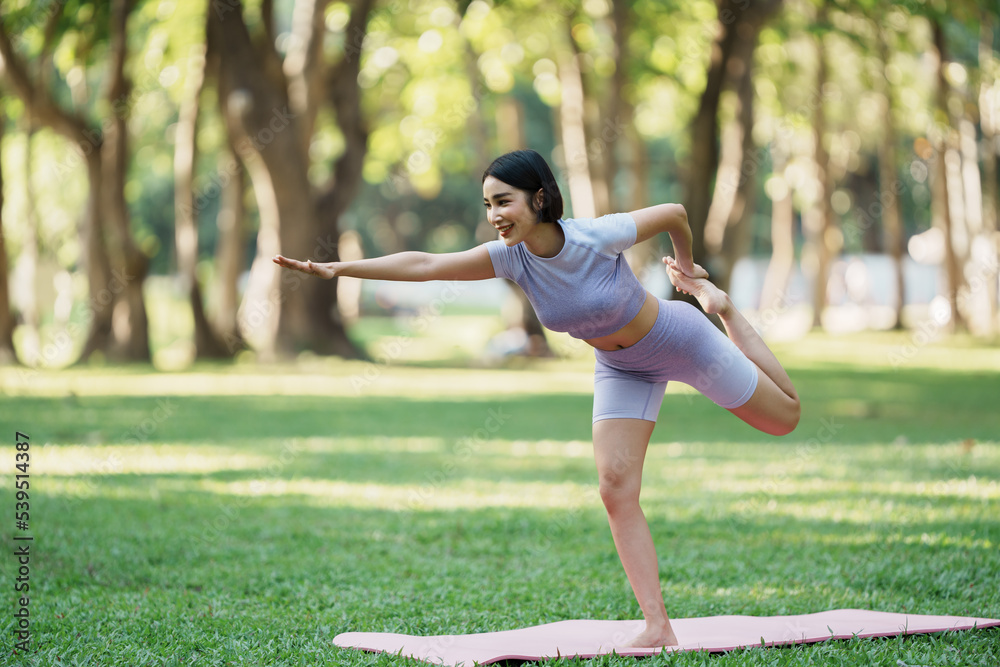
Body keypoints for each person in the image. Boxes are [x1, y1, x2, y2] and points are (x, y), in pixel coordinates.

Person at [273, 149, 800, 648]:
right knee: (615, 488)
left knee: (785, 420)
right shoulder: (511, 260)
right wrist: (338, 270)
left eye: (503, 201)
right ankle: (657, 625)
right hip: (620, 366)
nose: (494, 215)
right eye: (488, 205)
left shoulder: (594, 236)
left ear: (539, 198)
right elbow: (428, 264)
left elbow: (675, 211)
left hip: (681, 341)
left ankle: (726, 310)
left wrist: (687, 269)